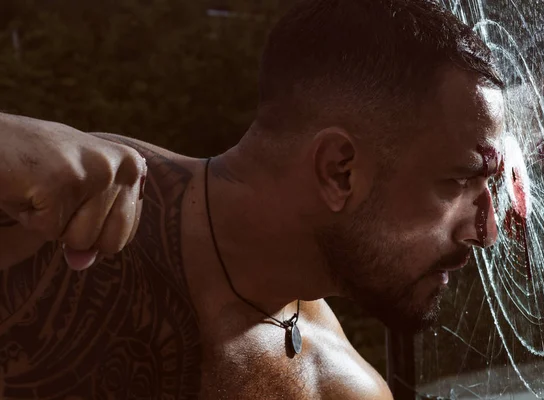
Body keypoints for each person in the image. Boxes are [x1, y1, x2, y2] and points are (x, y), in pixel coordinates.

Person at [0, 0, 505, 398]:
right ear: (339, 170)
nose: (487, 232)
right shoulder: (52, 216)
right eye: (458, 182)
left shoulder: (340, 389)